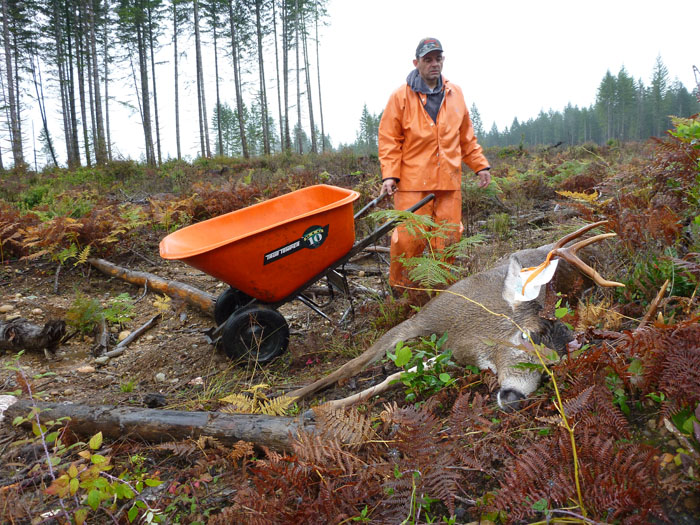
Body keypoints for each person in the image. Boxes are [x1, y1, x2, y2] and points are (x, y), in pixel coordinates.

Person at [378, 37, 491, 294]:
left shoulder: (456, 94)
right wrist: (390, 175)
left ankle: (441, 293)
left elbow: (466, 137)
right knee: (409, 240)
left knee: (448, 240)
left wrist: (480, 166)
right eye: (427, 59)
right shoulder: (400, 97)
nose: (434, 64)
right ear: (416, 63)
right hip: (412, 184)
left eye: (438, 58)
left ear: (443, 60)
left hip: (449, 183)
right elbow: (389, 139)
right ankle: (402, 294)